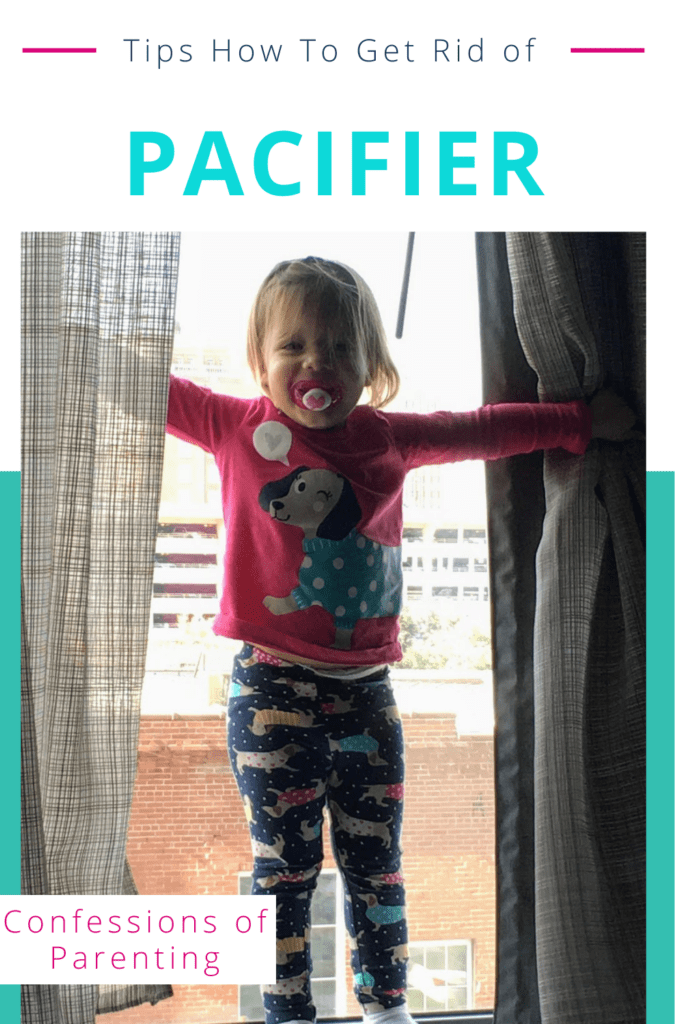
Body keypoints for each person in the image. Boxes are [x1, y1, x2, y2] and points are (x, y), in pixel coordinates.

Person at [166, 256, 635, 1024]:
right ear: (261, 362)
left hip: (366, 695)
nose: (316, 364)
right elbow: (150, 387)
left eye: (339, 349)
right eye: (294, 348)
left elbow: (486, 429)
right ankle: (290, 1013)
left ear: (368, 366)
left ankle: (386, 1007)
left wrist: (578, 424)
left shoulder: (387, 439)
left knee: (375, 865)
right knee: (283, 871)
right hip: (270, 687)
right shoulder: (234, 428)